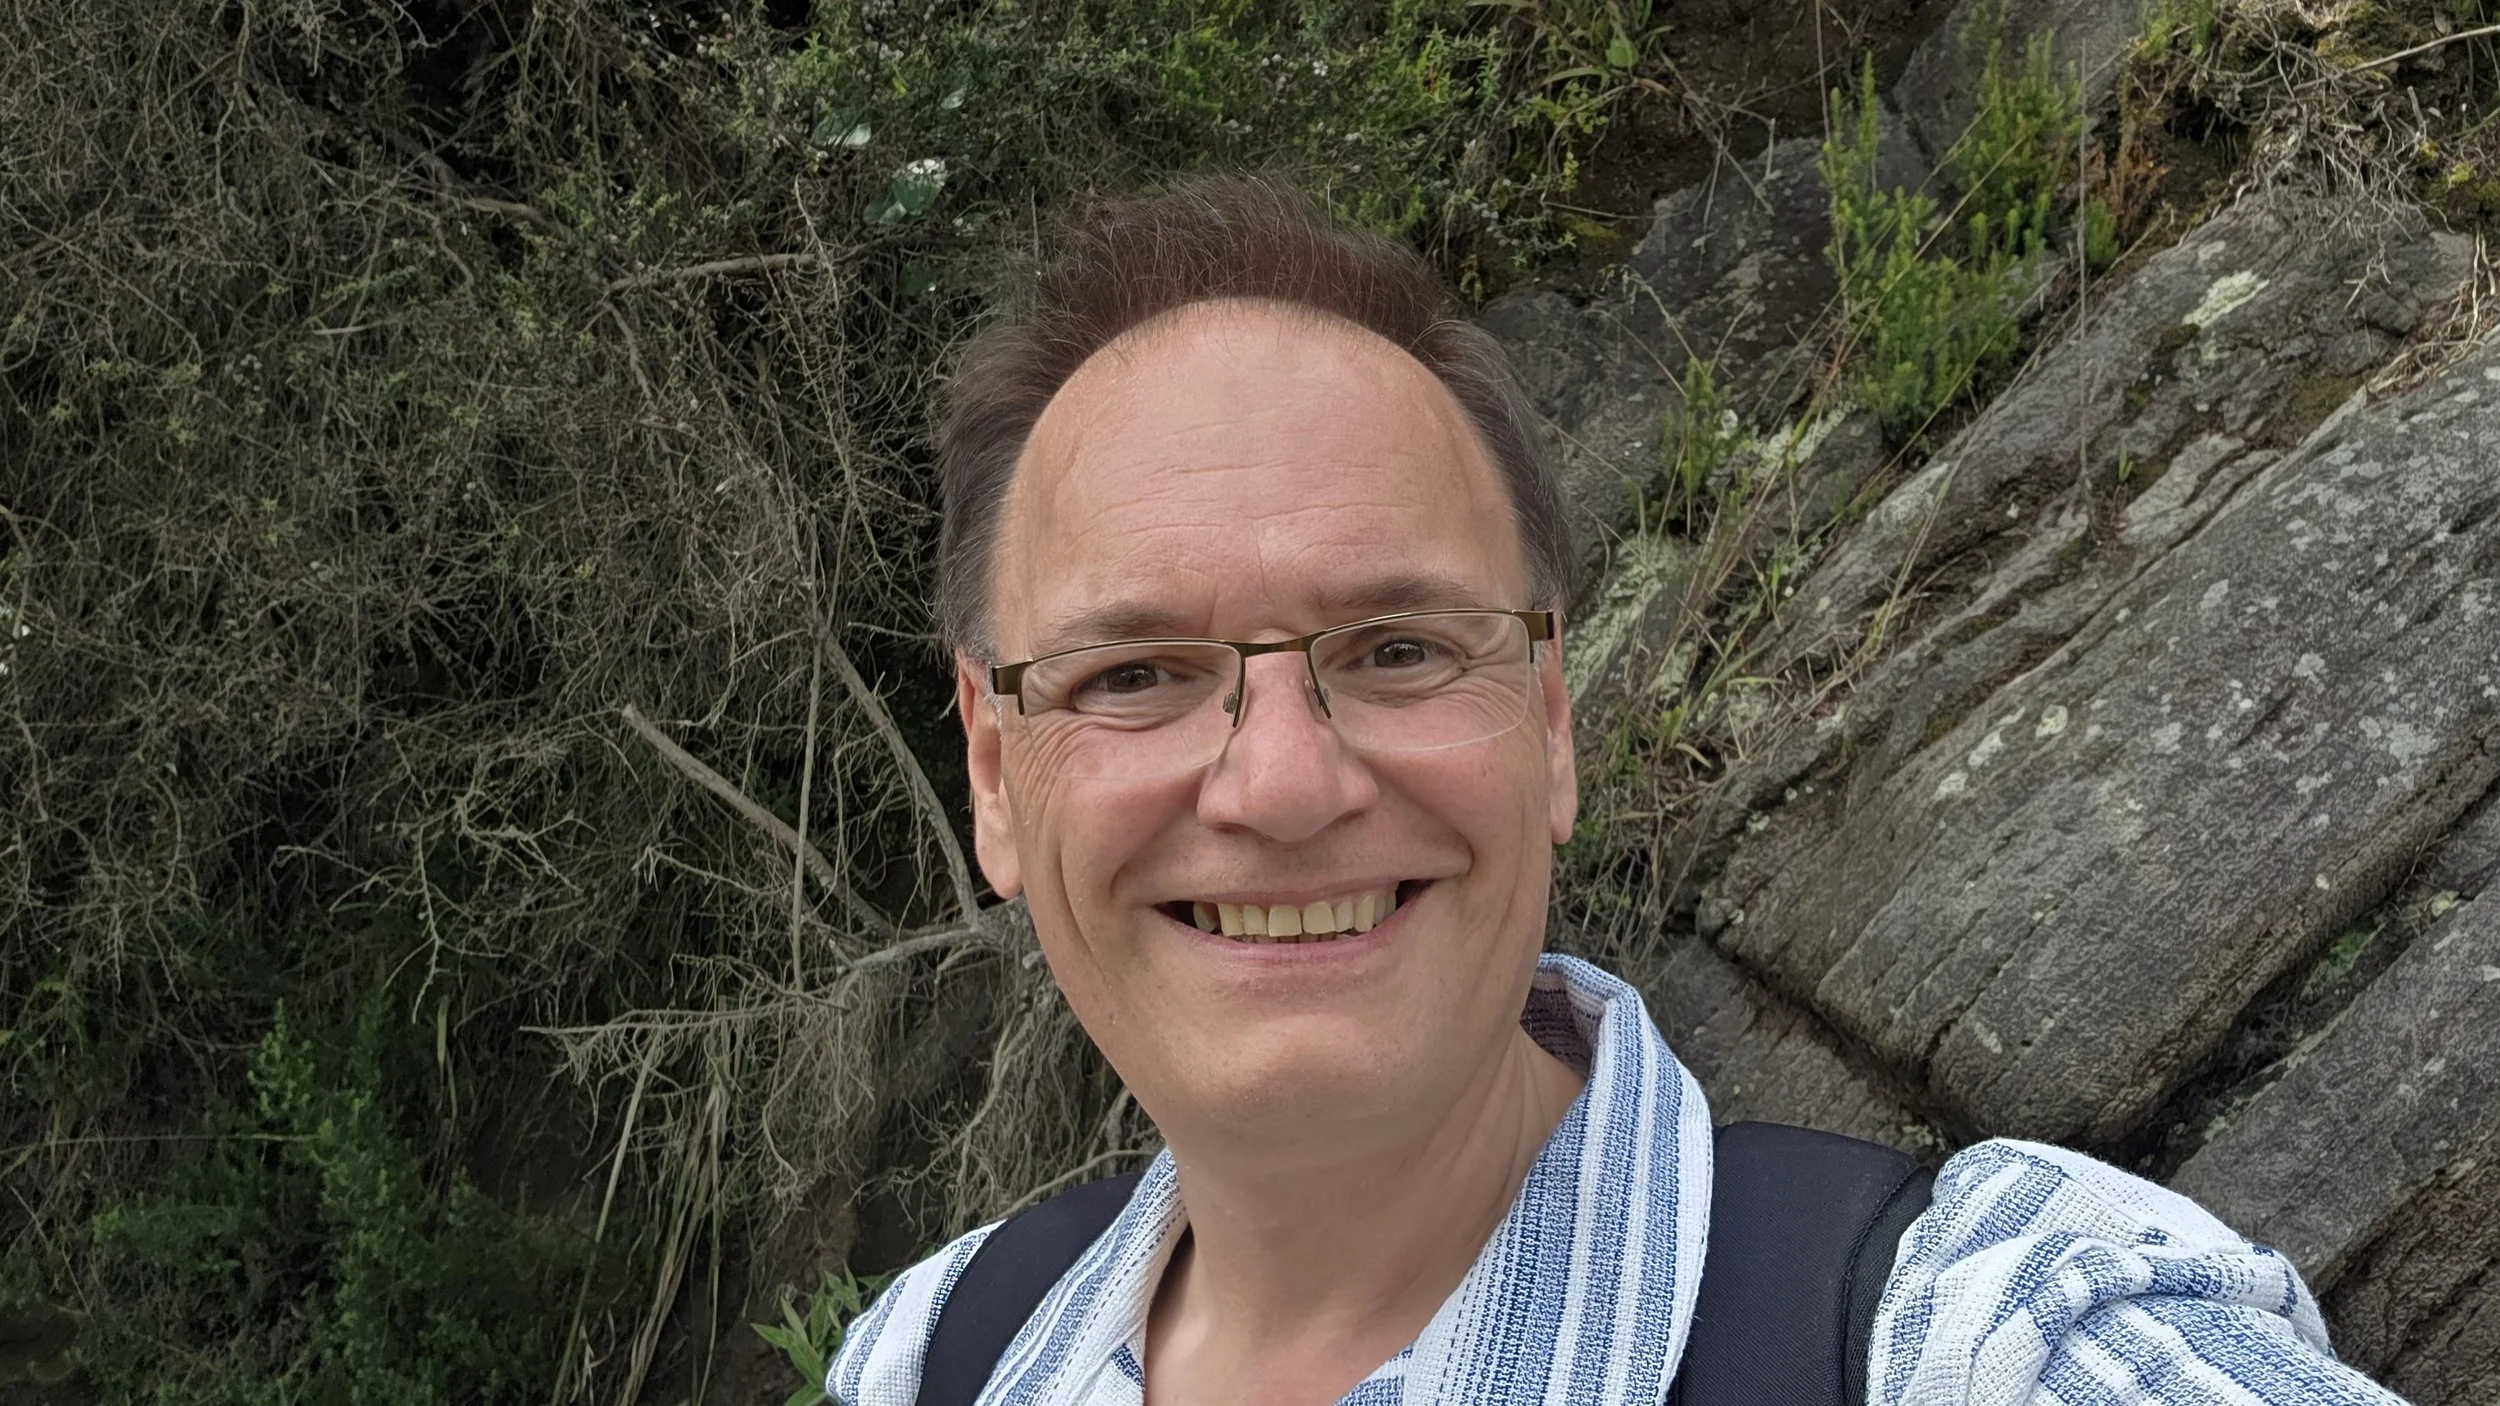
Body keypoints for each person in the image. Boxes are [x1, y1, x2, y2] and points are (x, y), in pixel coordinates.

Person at [828, 176, 2402, 1406]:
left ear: (1554, 718)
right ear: (994, 770)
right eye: (1132, 676)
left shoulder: (1991, 1329)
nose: (1285, 782)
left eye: (1395, 647)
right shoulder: (928, 1353)